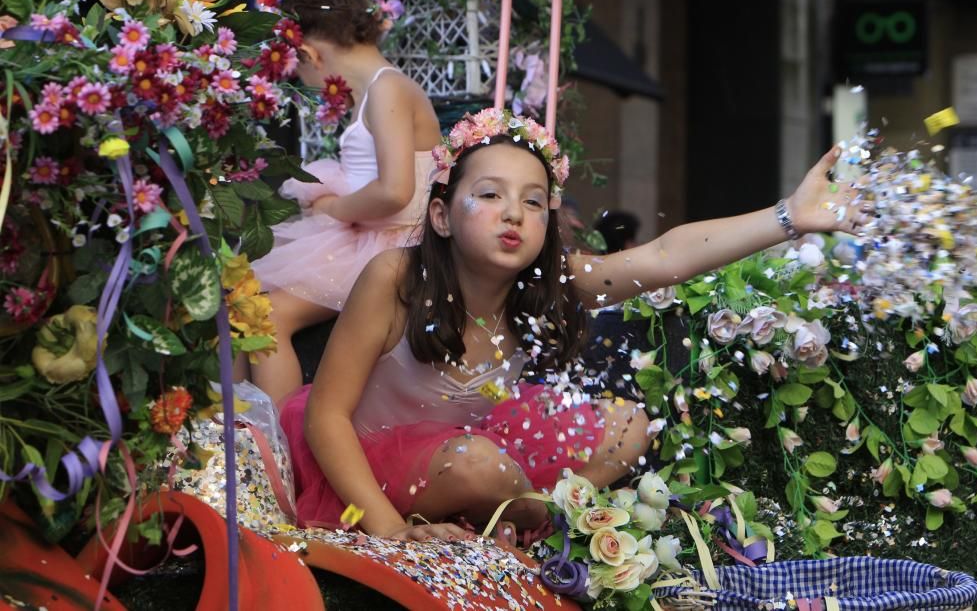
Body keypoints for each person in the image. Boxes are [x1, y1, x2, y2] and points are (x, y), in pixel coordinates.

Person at [279, 108, 865, 543]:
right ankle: (530, 515)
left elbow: (663, 258)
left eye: (534, 202)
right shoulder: (394, 279)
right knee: (480, 465)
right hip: (364, 469)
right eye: (489, 195)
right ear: (441, 214)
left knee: (628, 424)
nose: (514, 213)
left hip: (477, 455)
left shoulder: (546, 283)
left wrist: (789, 217)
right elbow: (327, 417)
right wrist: (384, 527)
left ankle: (522, 512)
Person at [249, 0, 441, 405]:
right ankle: (243, 436)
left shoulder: (388, 89)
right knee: (244, 302)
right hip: (369, 239)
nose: (308, 80)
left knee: (265, 316)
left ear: (311, 54)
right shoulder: (377, 91)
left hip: (393, 249)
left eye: (299, 69)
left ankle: (281, 446)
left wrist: (334, 207)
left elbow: (395, 191)